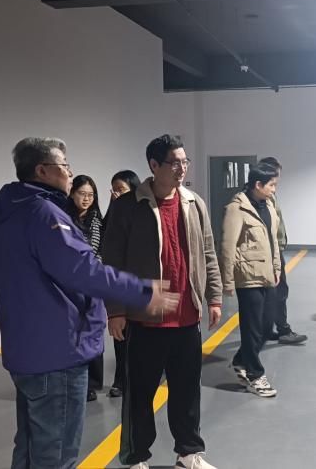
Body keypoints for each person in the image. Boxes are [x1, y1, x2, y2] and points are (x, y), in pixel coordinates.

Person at [0, 137, 179, 469]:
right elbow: (85, 271)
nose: (70, 172)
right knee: (57, 454)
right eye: (64, 165)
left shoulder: (9, 216)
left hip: (27, 352)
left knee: (30, 449)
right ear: (42, 170)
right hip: (57, 352)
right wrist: (143, 292)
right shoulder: (44, 215)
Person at [102, 135, 224, 469]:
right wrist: (115, 310)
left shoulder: (194, 203)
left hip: (187, 317)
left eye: (185, 162)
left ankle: (188, 453)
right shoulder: (129, 207)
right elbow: (112, 262)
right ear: (154, 165)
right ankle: (136, 457)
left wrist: (213, 296)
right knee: (139, 395)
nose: (182, 169)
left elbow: (208, 253)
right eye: (174, 163)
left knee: (187, 392)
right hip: (146, 319)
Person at [221, 162, 283, 398]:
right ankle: (255, 375)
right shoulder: (237, 208)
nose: (274, 189)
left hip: (267, 274)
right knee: (252, 328)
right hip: (247, 277)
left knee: (266, 326)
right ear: (258, 184)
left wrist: (277, 267)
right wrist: (227, 281)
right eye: (271, 185)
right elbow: (227, 247)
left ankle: (241, 360)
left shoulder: (269, 205)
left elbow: (272, 240)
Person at [260, 157, 308, 345]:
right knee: (279, 292)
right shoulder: (262, 198)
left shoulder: (270, 195)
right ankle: (283, 330)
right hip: (270, 252)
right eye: (276, 176)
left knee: (274, 293)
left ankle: (267, 331)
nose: (278, 181)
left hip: (275, 249)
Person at [66, 174, 106, 402]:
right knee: (73, 333)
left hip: (92, 283)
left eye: (91, 195)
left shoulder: (97, 221)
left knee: (93, 332)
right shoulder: (64, 218)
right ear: (72, 193)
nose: (87, 199)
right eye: (82, 194)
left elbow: (99, 250)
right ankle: (75, 381)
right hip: (70, 285)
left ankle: (92, 383)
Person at [104, 169, 141, 398]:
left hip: (139, 283)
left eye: (122, 190)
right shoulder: (113, 213)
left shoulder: (143, 212)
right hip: (119, 285)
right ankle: (121, 379)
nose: (117, 194)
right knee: (120, 335)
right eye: (114, 190)